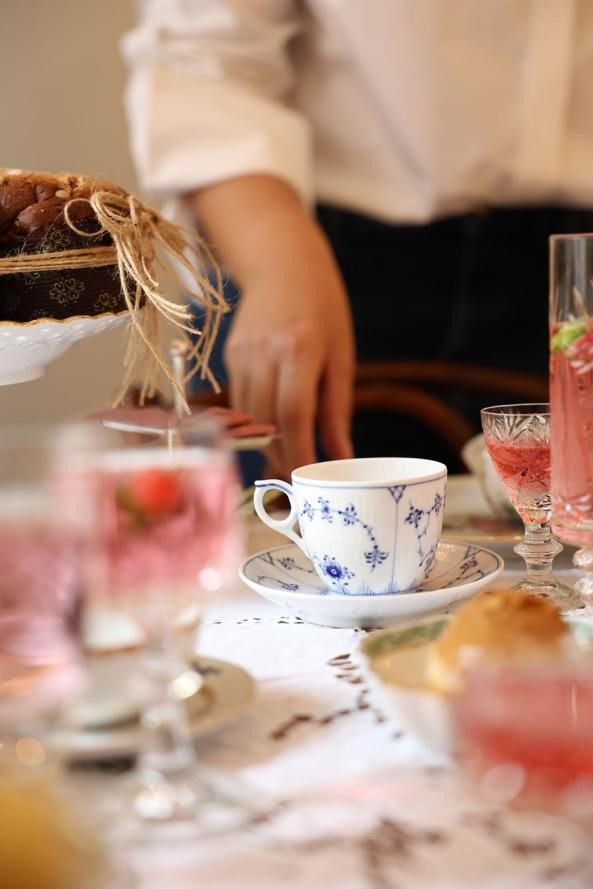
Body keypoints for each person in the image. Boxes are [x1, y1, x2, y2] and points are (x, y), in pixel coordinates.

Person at [121, 1, 593, 478]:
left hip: (577, 282)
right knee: (286, 545)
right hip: (318, 267)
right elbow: (202, 60)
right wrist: (279, 265)